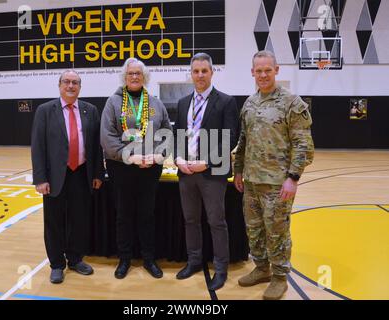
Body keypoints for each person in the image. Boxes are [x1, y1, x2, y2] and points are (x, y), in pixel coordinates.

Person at [233, 50, 314, 300]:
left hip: (278, 184)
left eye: (268, 69)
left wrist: (293, 177)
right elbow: (243, 140)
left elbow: (304, 145)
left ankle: (279, 277)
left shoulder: (292, 103)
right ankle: (261, 268)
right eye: (259, 70)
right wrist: (238, 171)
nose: (263, 74)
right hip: (252, 181)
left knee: (277, 231)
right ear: (252, 73)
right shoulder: (249, 103)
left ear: (276, 70)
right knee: (254, 229)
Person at [101, 57, 172, 280]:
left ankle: (149, 259)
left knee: (147, 214)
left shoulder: (156, 103)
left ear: (144, 77)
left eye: (138, 74)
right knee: (123, 215)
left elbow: (167, 134)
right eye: (130, 73)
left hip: (149, 168)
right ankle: (125, 259)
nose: (134, 77)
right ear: (125, 77)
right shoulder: (113, 102)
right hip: (121, 168)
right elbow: (107, 137)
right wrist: (130, 157)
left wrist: (158, 155)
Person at [173, 52, 239, 291]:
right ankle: (194, 261)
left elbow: (231, 137)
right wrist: (178, 158)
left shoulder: (226, 101)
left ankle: (221, 269)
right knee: (191, 220)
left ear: (212, 72)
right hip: (186, 172)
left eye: (204, 71)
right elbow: (178, 136)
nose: (200, 75)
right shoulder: (182, 103)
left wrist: (208, 162)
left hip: (212, 173)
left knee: (216, 222)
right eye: (196, 71)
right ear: (191, 74)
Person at [31, 70, 104, 284]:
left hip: (81, 173)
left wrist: (98, 173)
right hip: (54, 177)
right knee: (54, 222)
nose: (71, 86)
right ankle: (56, 264)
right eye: (67, 82)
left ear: (80, 86)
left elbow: (96, 147)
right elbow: (38, 146)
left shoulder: (90, 110)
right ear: (59, 85)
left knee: (79, 220)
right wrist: (40, 179)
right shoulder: (45, 111)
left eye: (75, 83)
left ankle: (75, 259)